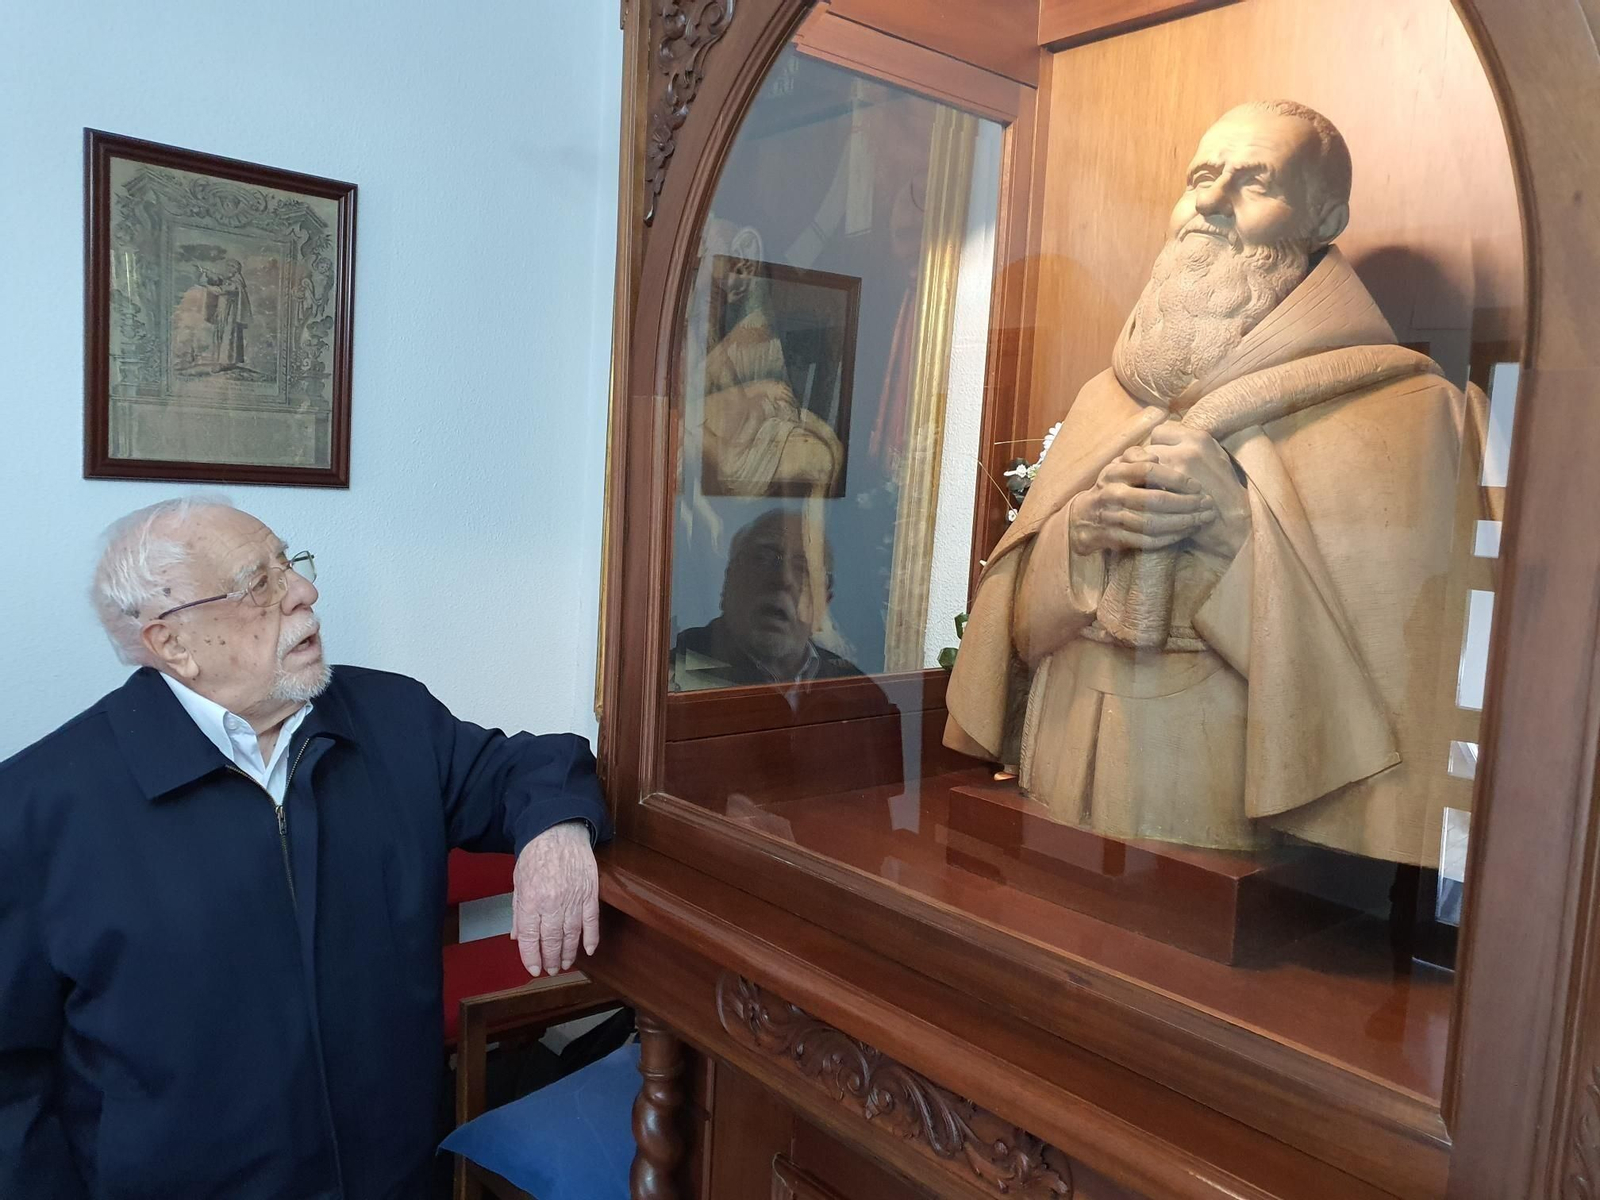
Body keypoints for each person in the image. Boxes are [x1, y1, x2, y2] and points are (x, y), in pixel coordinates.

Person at [0, 498, 611, 1199]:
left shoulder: (394, 719)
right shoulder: (37, 808)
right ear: (172, 644)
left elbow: (527, 768)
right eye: (257, 584)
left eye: (288, 563)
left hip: (395, 1176)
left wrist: (558, 828)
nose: (303, 592)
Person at [946, 101, 1465, 864]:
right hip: (1057, 765)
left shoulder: (1404, 415)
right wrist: (1078, 539)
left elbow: (1396, 681)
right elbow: (1017, 639)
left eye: (1256, 182)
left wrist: (1233, 531)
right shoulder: (1105, 398)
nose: (1212, 202)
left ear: (1325, 220)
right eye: (1201, 177)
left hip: (1228, 806)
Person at [672, 508, 862, 690]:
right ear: (729, 582)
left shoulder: (853, 688)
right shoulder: (670, 670)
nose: (783, 578)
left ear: (822, 605)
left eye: (803, 569)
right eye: (763, 558)